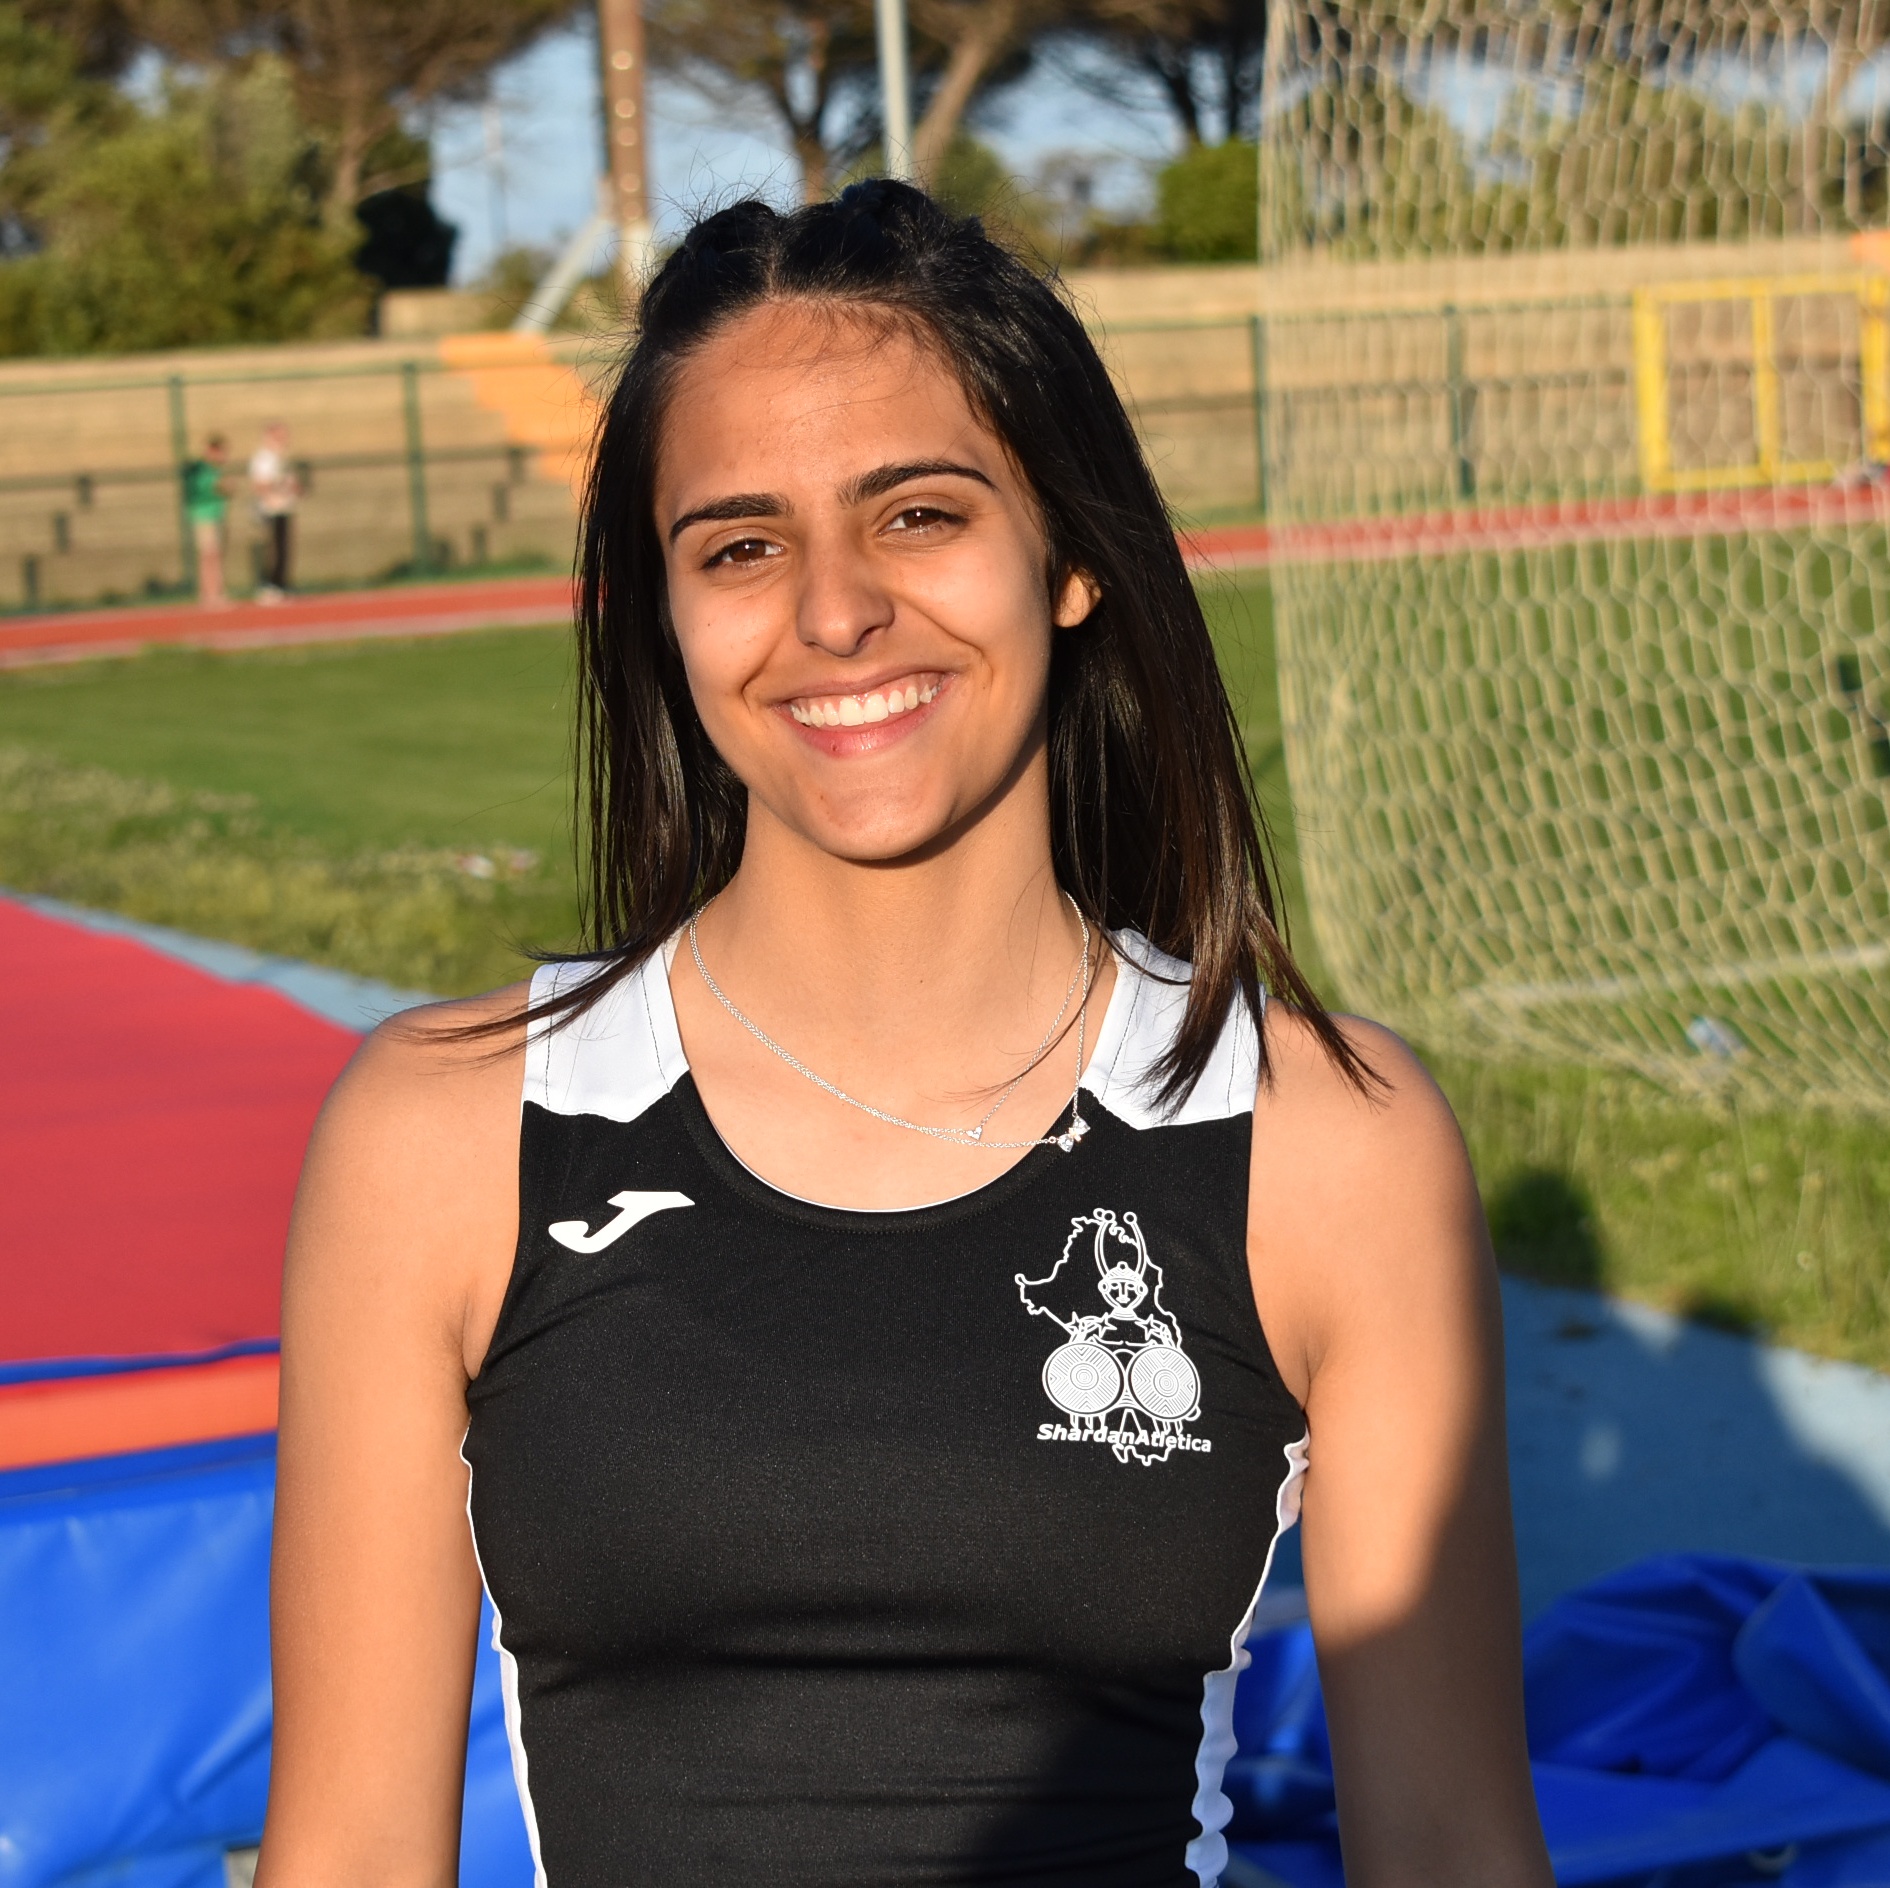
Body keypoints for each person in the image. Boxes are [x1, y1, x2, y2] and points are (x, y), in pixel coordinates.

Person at [260, 184, 1552, 1887]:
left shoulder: (1322, 1138)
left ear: (1070, 555)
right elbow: (349, 1851)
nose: (835, 611)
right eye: (740, 547)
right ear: (663, 613)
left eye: (919, 514)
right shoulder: (448, 1134)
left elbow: (1451, 1844)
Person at [248, 421, 300, 600]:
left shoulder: (281, 457)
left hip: (284, 506)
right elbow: (260, 485)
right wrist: (277, 487)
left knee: (284, 547)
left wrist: (292, 488)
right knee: (272, 548)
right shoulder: (263, 458)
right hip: (269, 509)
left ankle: (281, 584)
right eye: (280, 435)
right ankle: (268, 585)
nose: (284, 439)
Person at [181, 435, 231, 607]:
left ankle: (216, 591)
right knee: (208, 554)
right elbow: (203, 490)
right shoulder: (200, 469)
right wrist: (222, 487)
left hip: (216, 515)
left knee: (215, 554)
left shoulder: (214, 470)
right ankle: (209, 593)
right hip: (204, 516)